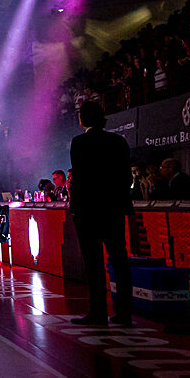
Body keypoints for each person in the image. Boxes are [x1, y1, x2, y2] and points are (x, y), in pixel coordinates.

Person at [69, 101, 134, 327]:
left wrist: (75, 207)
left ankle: (98, 312)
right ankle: (125, 313)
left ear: (82, 120)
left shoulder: (79, 142)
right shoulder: (119, 141)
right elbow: (127, 177)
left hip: (88, 210)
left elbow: (79, 178)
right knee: (120, 260)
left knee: (93, 263)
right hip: (113, 209)